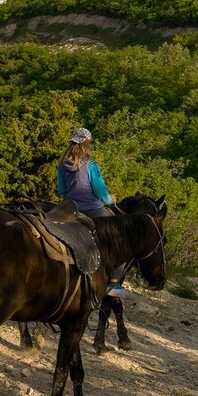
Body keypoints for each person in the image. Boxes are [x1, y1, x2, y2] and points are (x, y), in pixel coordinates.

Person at [56, 127, 134, 299]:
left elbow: (62, 189)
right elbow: (99, 190)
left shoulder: (62, 163)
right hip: (93, 209)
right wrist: (109, 199)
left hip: (70, 208)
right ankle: (114, 282)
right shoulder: (90, 163)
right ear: (86, 143)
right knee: (121, 236)